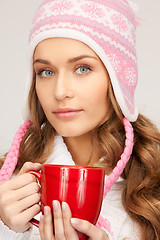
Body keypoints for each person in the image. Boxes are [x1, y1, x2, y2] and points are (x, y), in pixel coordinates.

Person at [0, 0, 160, 239]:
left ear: (118, 78)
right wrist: (6, 226)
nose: (60, 91)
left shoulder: (153, 183)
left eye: (82, 68)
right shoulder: (10, 185)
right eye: (46, 72)